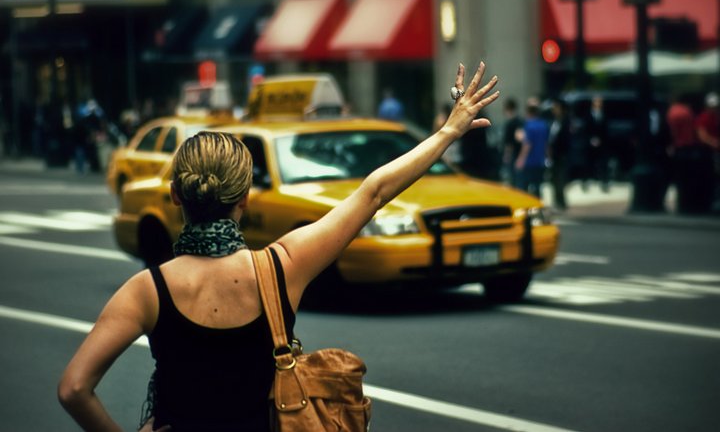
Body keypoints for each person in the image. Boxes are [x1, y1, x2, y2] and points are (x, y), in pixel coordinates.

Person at [58, 62, 500, 431]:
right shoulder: (281, 267)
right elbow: (374, 192)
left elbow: (74, 388)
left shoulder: (147, 290)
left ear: (176, 195)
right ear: (246, 198)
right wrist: (448, 131)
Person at [515, 97, 549, 199]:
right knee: (538, 186)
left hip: (529, 161)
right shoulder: (543, 124)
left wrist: (521, 159)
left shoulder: (529, 126)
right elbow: (546, 143)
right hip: (540, 160)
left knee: (525, 186)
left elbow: (527, 144)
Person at [695, 92, 720, 210]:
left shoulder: (716, 117)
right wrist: (714, 143)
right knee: (712, 177)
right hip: (708, 152)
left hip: (714, 151)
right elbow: (702, 135)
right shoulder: (704, 117)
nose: (714, 109)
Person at [547, 98, 572, 210]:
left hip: (562, 155)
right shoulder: (554, 121)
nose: (554, 110)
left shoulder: (566, 121)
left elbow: (565, 139)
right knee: (554, 178)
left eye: (556, 108)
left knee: (560, 178)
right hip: (554, 155)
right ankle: (557, 200)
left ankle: (561, 202)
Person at [588, 95, 609, 191]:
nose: (598, 104)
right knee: (589, 162)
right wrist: (591, 139)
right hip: (591, 142)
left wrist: (600, 140)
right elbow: (586, 129)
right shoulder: (589, 114)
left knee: (603, 163)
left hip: (602, 143)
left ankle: (604, 182)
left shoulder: (604, 114)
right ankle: (588, 180)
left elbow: (606, 129)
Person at [501, 97, 524, 187]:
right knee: (519, 178)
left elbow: (509, 142)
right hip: (519, 152)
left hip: (513, 154)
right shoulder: (520, 121)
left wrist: (507, 155)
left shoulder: (510, 124)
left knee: (513, 179)